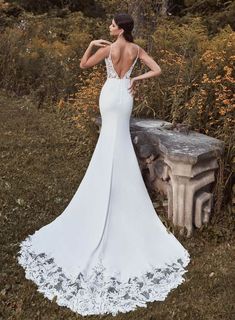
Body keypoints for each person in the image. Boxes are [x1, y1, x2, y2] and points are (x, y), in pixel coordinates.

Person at [17, 13, 190, 317]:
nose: (109, 28)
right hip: (124, 96)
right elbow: (158, 70)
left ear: (120, 28)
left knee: (109, 143)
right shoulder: (136, 51)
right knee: (118, 142)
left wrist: (89, 45)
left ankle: (103, 191)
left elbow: (84, 65)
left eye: (112, 24)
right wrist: (136, 78)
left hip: (110, 93)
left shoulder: (109, 48)